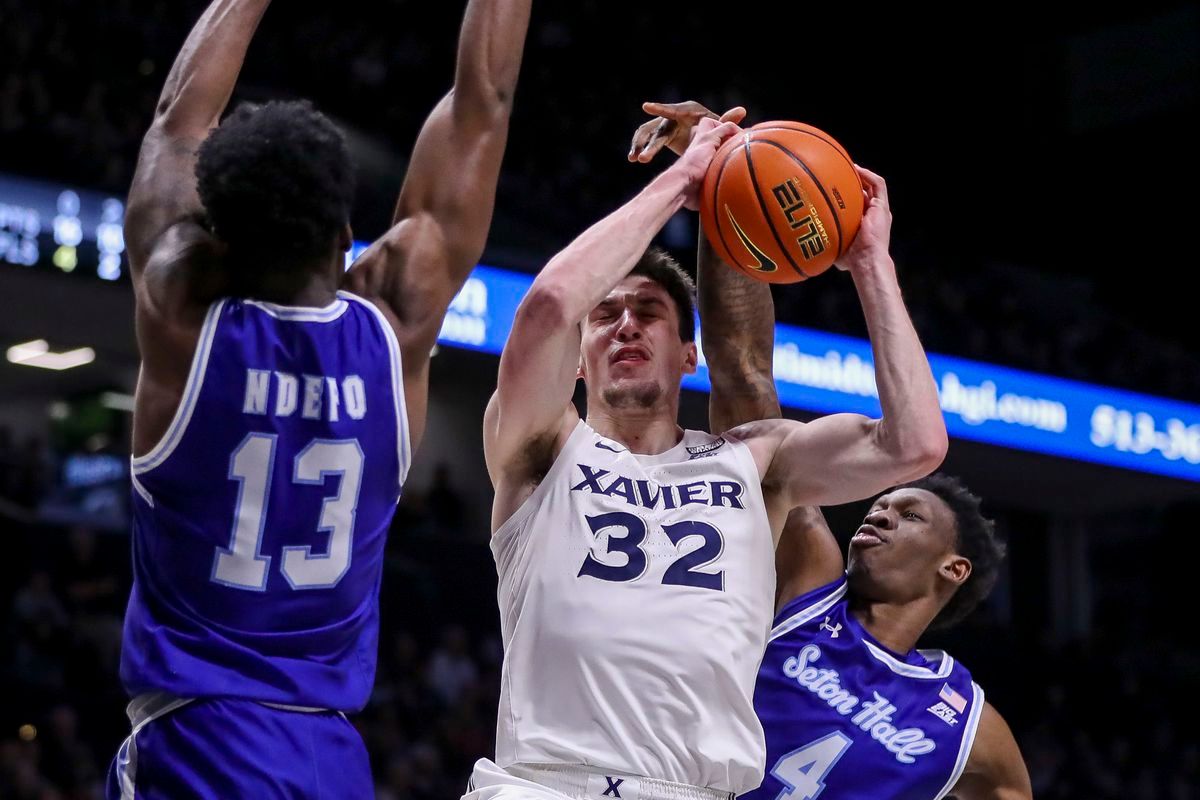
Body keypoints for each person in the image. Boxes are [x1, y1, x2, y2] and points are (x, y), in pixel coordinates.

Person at [108, 0, 530, 795]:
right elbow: (486, 104)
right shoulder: (395, 325)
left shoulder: (180, 318)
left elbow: (175, 124)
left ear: (218, 234)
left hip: (196, 738)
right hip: (328, 756)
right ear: (345, 233)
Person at [466, 106, 946, 799]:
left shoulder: (757, 460)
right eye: (606, 314)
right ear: (578, 356)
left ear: (688, 353)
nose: (626, 324)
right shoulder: (539, 449)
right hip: (543, 784)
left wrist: (871, 264)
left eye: (651, 313)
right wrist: (684, 181)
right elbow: (546, 306)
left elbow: (917, 442)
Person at [633, 100, 1033, 800]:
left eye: (906, 514)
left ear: (953, 566)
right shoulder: (808, 582)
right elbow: (743, 377)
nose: (876, 515)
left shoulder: (967, 726)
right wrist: (728, 186)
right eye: (881, 503)